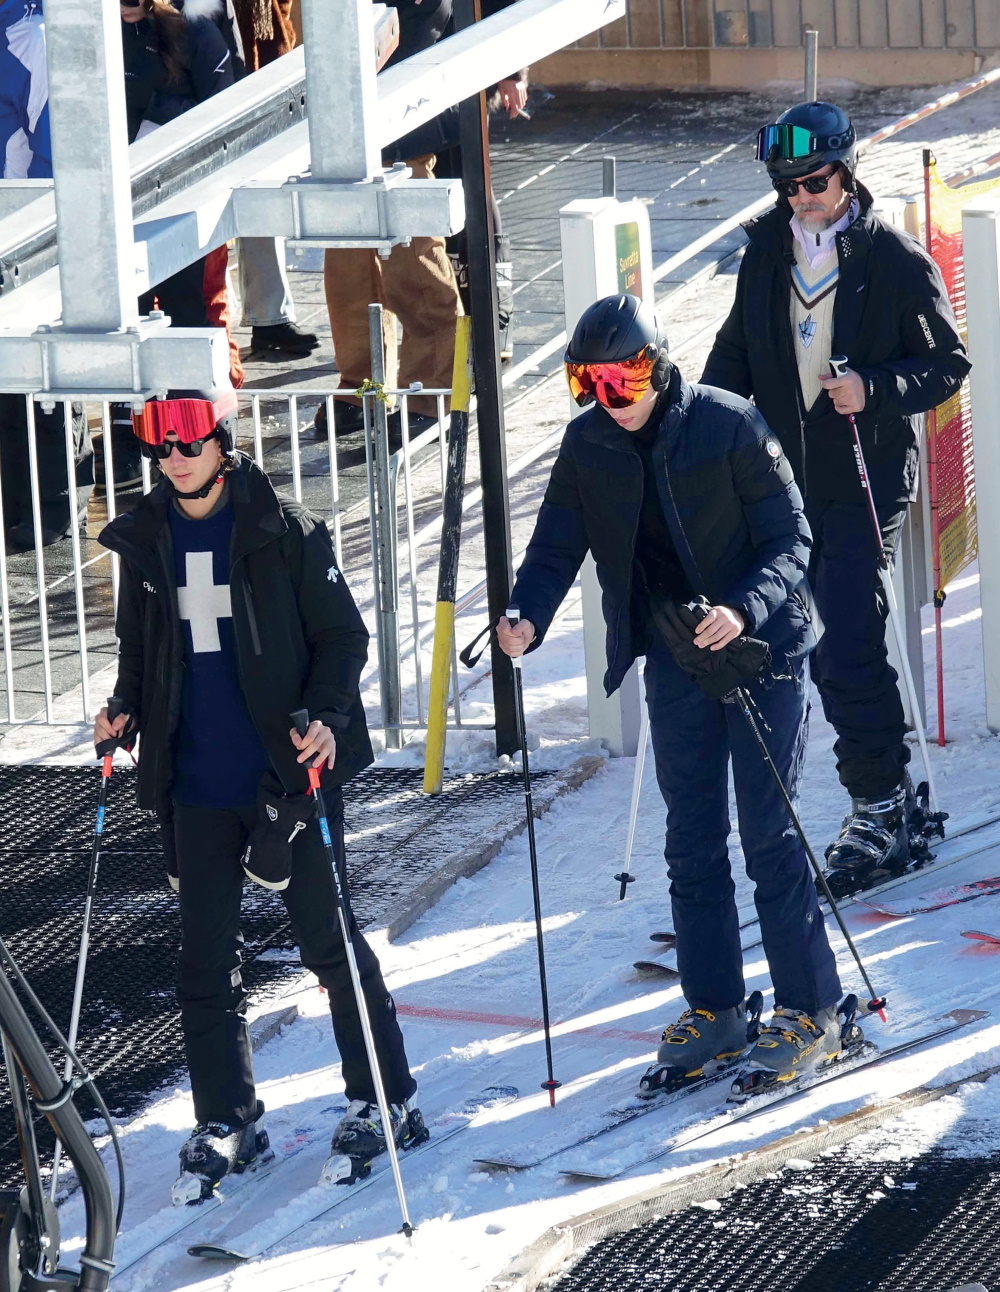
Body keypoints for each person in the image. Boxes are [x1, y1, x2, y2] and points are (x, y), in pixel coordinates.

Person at [498, 293, 846, 1089]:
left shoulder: (729, 424)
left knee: (769, 834)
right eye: (589, 384)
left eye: (623, 381)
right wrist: (525, 616)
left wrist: (740, 608)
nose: (608, 402)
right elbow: (556, 544)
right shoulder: (589, 446)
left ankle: (810, 1007)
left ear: (656, 367)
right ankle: (717, 1006)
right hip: (678, 657)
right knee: (691, 840)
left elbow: (791, 539)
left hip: (762, 649)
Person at [94, 389, 423, 1197]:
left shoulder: (284, 530)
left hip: (287, 778)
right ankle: (229, 1118)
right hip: (195, 785)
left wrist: (332, 721)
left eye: (187, 442)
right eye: (158, 446)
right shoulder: (147, 542)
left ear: (221, 442)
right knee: (203, 961)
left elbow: (343, 636)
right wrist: (125, 710)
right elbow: (140, 653)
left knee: (328, 944)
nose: (173, 458)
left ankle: (386, 1102)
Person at [702, 102, 970, 884]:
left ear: (846, 173)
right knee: (794, 634)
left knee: (847, 625)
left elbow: (947, 364)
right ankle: (854, 792)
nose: (800, 197)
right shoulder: (764, 256)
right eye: (787, 186)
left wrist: (874, 387)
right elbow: (732, 355)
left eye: (813, 181)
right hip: (786, 479)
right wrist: (702, 428)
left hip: (863, 472)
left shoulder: (892, 257)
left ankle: (881, 802)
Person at [0, 1, 94, 549]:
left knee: (40, 380)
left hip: (27, 235)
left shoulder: (32, 35)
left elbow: (55, 149)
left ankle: (55, 516)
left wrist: (40, 236)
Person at [229, 0, 318, 358]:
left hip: (267, 69)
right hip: (220, 69)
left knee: (264, 195)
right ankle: (256, 320)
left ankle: (269, 319)